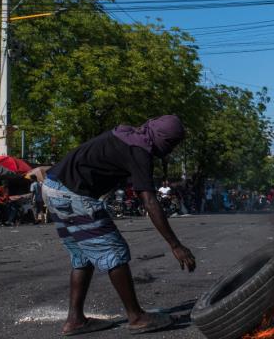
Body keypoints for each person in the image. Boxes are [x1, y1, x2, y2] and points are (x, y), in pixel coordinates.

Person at [44, 115, 196, 335]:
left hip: (52, 186)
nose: (170, 150)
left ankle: (75, 320)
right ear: (161, 137)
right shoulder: (139, 150)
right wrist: (175, 245)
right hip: (72, 194)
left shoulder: (129, 135)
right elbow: (149, 201)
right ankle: (136, 316)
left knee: (84, 256)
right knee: (114, 250)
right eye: (171, 143)